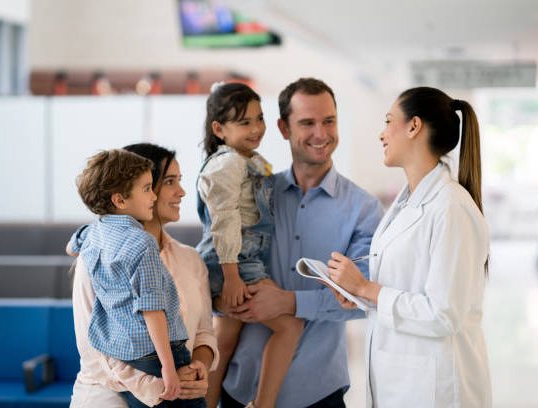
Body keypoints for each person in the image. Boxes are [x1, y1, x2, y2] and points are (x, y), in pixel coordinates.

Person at [218, 77, 383, 408]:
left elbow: (364, 300)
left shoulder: (363, 210)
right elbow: (219, 270)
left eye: (329, 121)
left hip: (319, 392)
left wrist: (289, 302)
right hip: (239, 390)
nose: (321, 134)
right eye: (307, 123)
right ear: (283, 128)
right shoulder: (253, 195)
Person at [327, 87, 492, 406]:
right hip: (401, 382)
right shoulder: (407, 204)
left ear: (414, 126)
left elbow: (444, 313)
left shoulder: (451, 207)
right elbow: (406, 287)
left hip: (437, 389)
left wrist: (367, 288)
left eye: (389, 121)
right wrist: (360, 295)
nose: (381, 134)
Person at [68, 147, 212, 408]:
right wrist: (164, 381)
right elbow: (97, 351)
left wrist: (197, 369)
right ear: (122, 198)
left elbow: (203, 334)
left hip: (172, 382)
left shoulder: (191, 259)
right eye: (168, 182)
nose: (181, 191)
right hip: (108, 395)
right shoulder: (103, 254)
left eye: (180, 181)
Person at [196, 82, 303, 408]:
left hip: (235, 262)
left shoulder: (248, 160)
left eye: (259, 118)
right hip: (235, 264)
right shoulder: (228, 163)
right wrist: (232, 277)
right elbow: (224, 220)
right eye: (244, 122)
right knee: (290, 326)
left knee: (224, 342)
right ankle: (263, 404)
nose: (257, 128)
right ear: (219, 128)